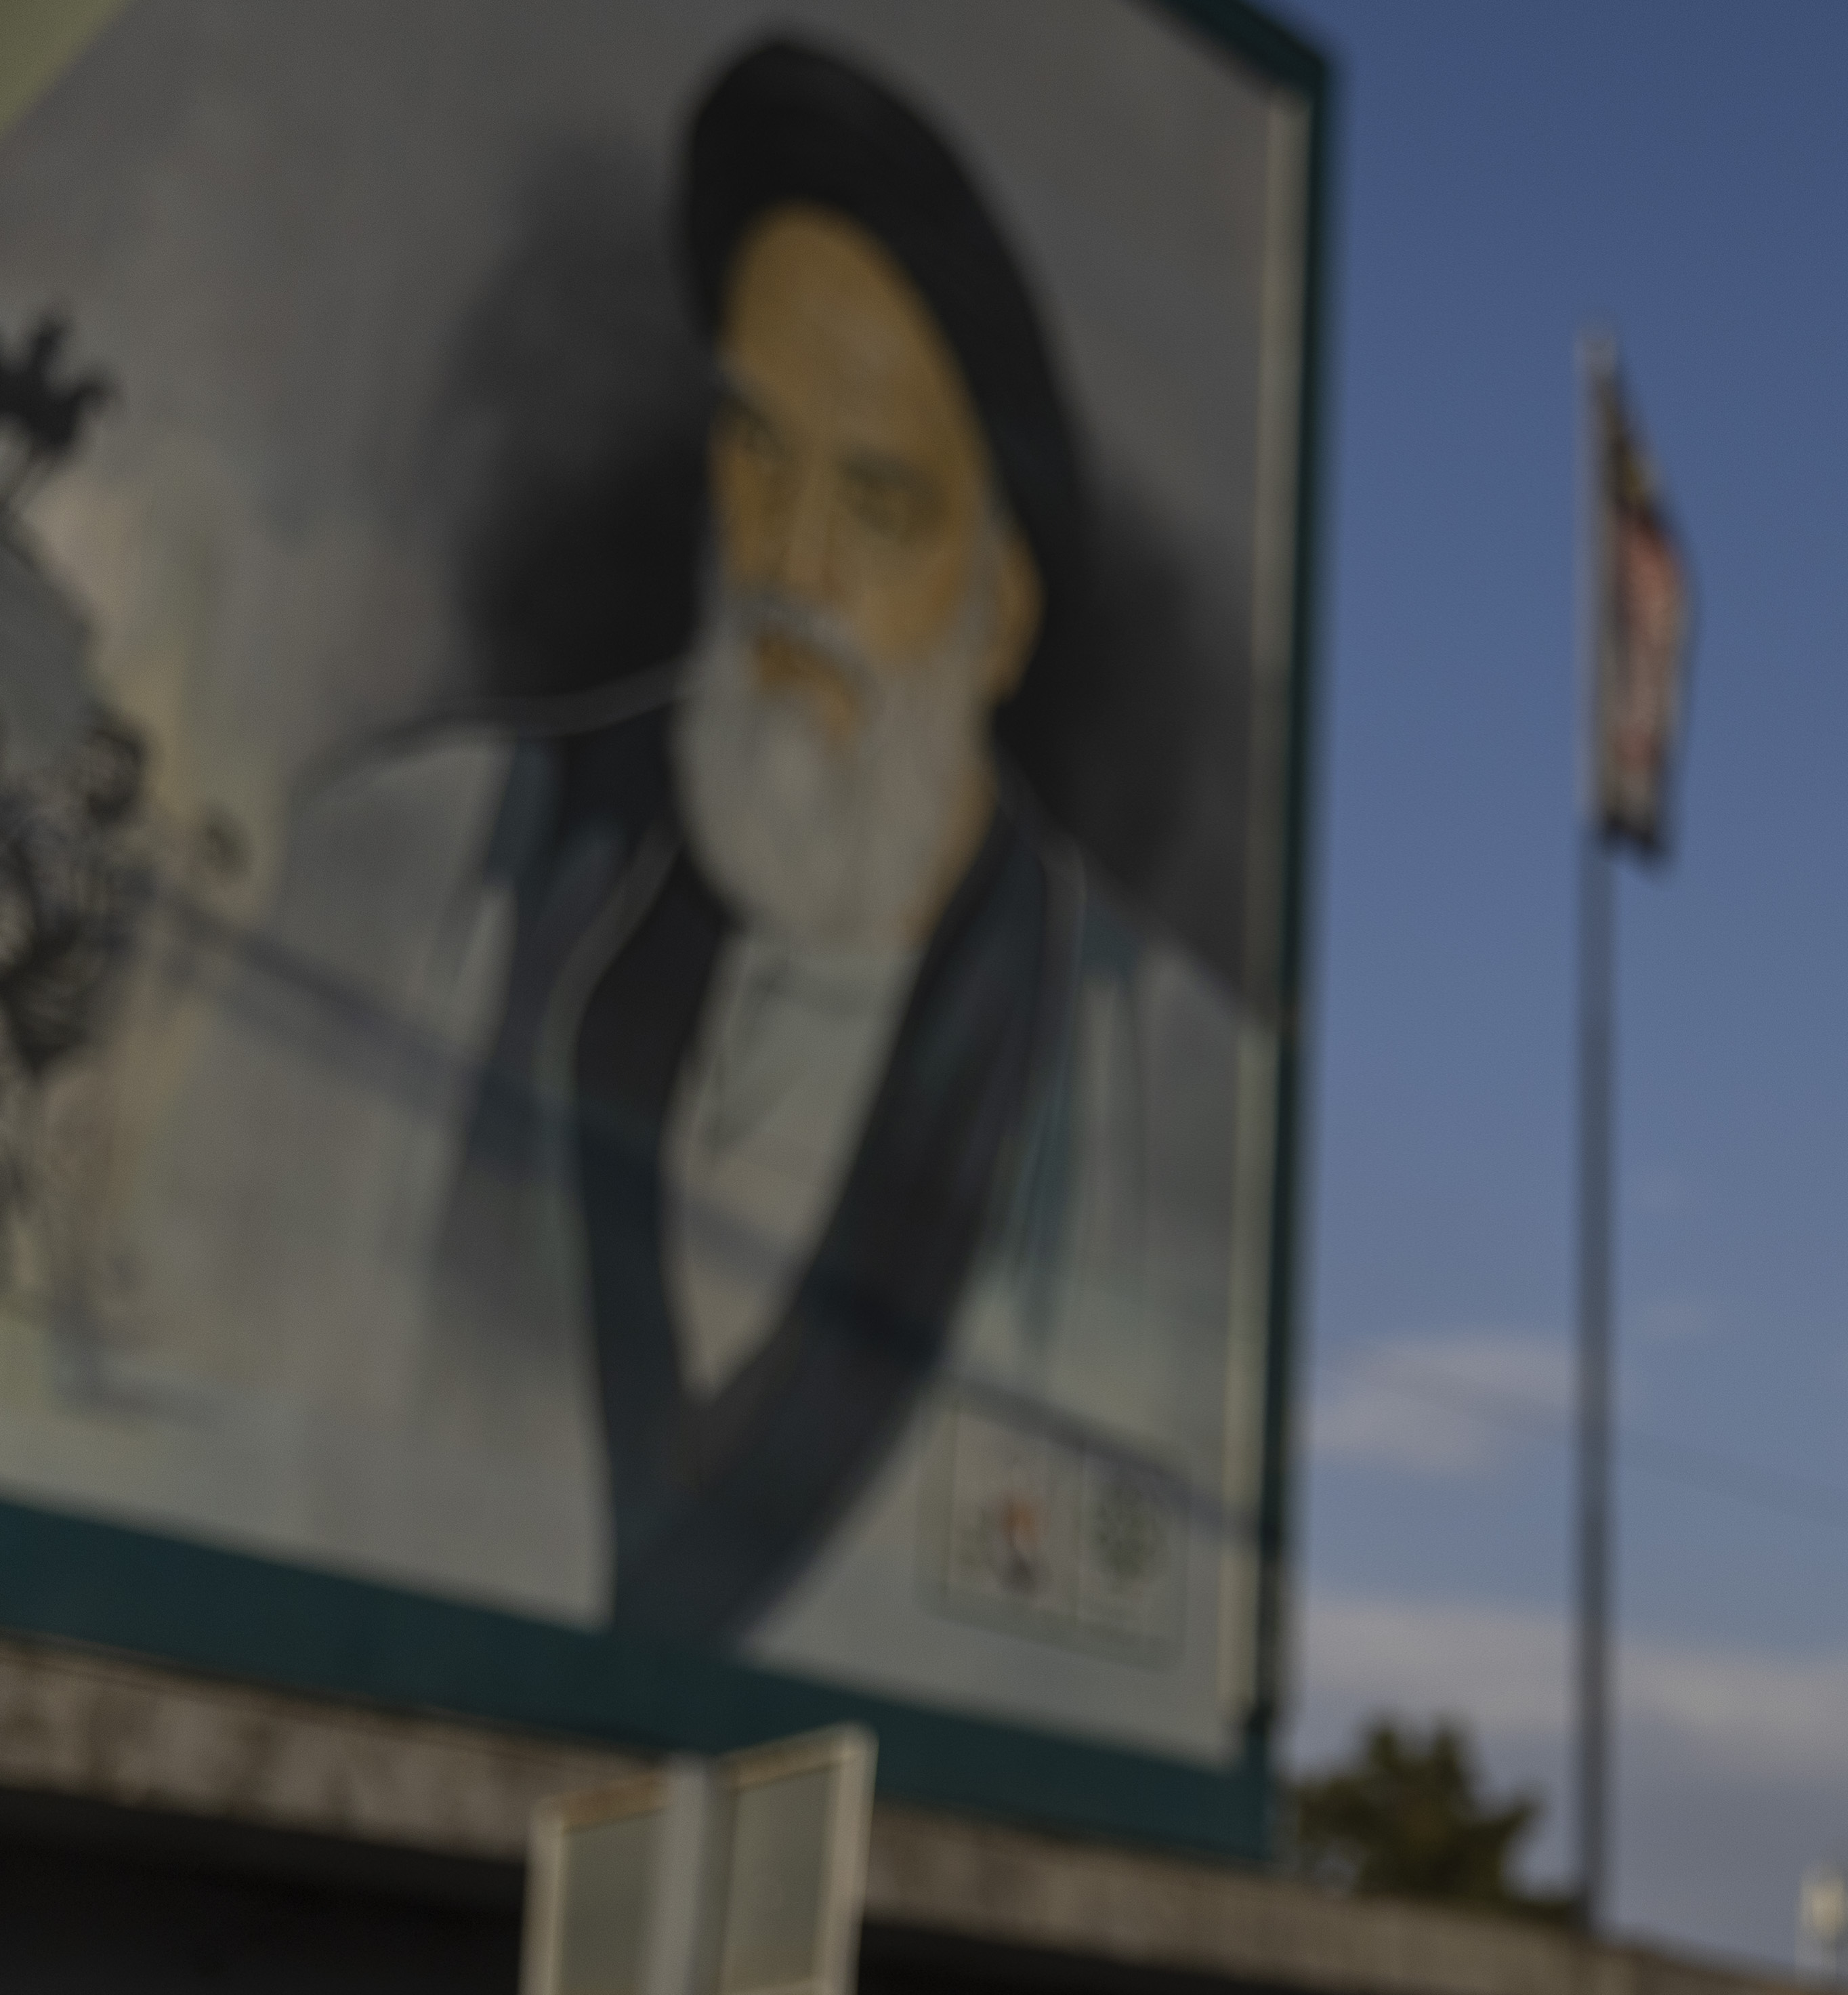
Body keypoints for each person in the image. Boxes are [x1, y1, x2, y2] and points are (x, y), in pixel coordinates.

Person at [119, 39, 1242, 1679]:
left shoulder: (1168, 1099)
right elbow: (173, 1395)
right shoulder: (406, 866)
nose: (786, 563)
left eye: (877, 502)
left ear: (999, 611)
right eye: (754, 448)